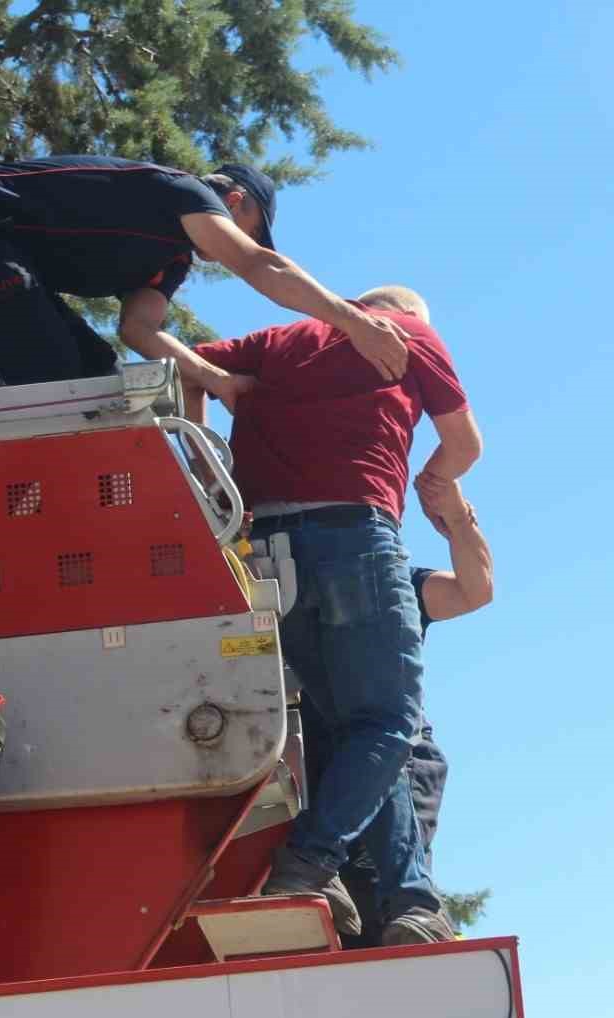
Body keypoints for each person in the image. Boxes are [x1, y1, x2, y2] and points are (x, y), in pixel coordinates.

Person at [187, 285, 481, 945]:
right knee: (390, 723)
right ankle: (307, 863)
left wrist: (212, 478)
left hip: (265, 552)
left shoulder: (277, 341)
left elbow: (186, 364)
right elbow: (464, 444)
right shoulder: (410, 334)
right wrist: (432, 487)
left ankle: (413, 904)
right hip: (354, 535)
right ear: (405, 313)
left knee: (357, 732)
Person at [0, 156, 407, 402]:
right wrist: (352, 322)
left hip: (3, 257)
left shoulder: (173, 262)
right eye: (251, 232)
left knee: (96, 367)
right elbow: (261, 266)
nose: (245, 245)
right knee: (59, 374)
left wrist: (220, 382)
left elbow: (139, 331)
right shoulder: (183, 192)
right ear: (235, 202)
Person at [331, 476, 494, 946]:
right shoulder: (292, 577)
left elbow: (474, 590)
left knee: (379, 889)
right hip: (326, 764)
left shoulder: (396, 585)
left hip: (397, 760)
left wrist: (459, 524)